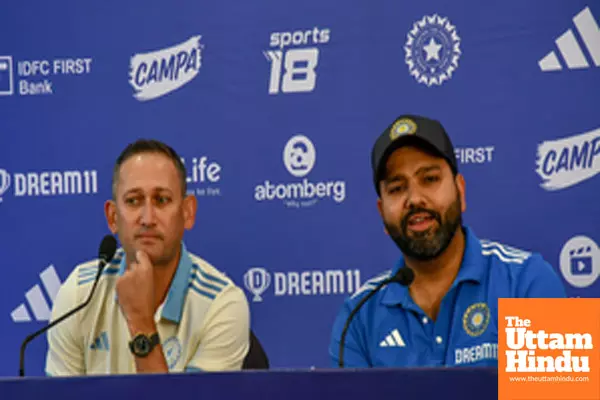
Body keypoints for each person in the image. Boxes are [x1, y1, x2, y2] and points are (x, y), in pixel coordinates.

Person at [329, 115, 566, 368]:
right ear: (382, 212)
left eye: (429, 179)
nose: (415, 199)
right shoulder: (358, 317)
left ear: (460, 191)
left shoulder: (527, 282)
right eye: (397, 188)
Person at [46, 139, 250, 375]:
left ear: (187, 213)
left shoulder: (221, 305)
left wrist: (140, 321)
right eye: (133, 201)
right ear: (113, 218)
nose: (147, 218)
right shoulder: (80, 294)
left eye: (161, 200)